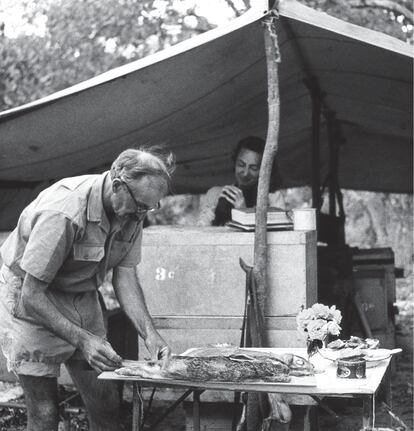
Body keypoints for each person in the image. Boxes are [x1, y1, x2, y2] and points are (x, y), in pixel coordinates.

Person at [0, 147, 175, 431]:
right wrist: (84, 340)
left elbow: (125, 277)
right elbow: (32, 294)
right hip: (29, 299)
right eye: (140, 205)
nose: (142, 214)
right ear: (117, 184)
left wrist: (150, 335)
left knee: (106, 401)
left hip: (80, 297)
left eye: (149, 207)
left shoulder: (133, 208)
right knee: (44, 414)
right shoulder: (64, 211)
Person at [198, 136, 285, 226]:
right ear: (234, 163)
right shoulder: (215, 194)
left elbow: (274, 236)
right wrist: (213, 211)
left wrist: (243, 211)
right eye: (241, 164)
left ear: (264, 170)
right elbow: (201, 232)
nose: (245, 173)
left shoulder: (273, 197)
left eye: (253, 168)